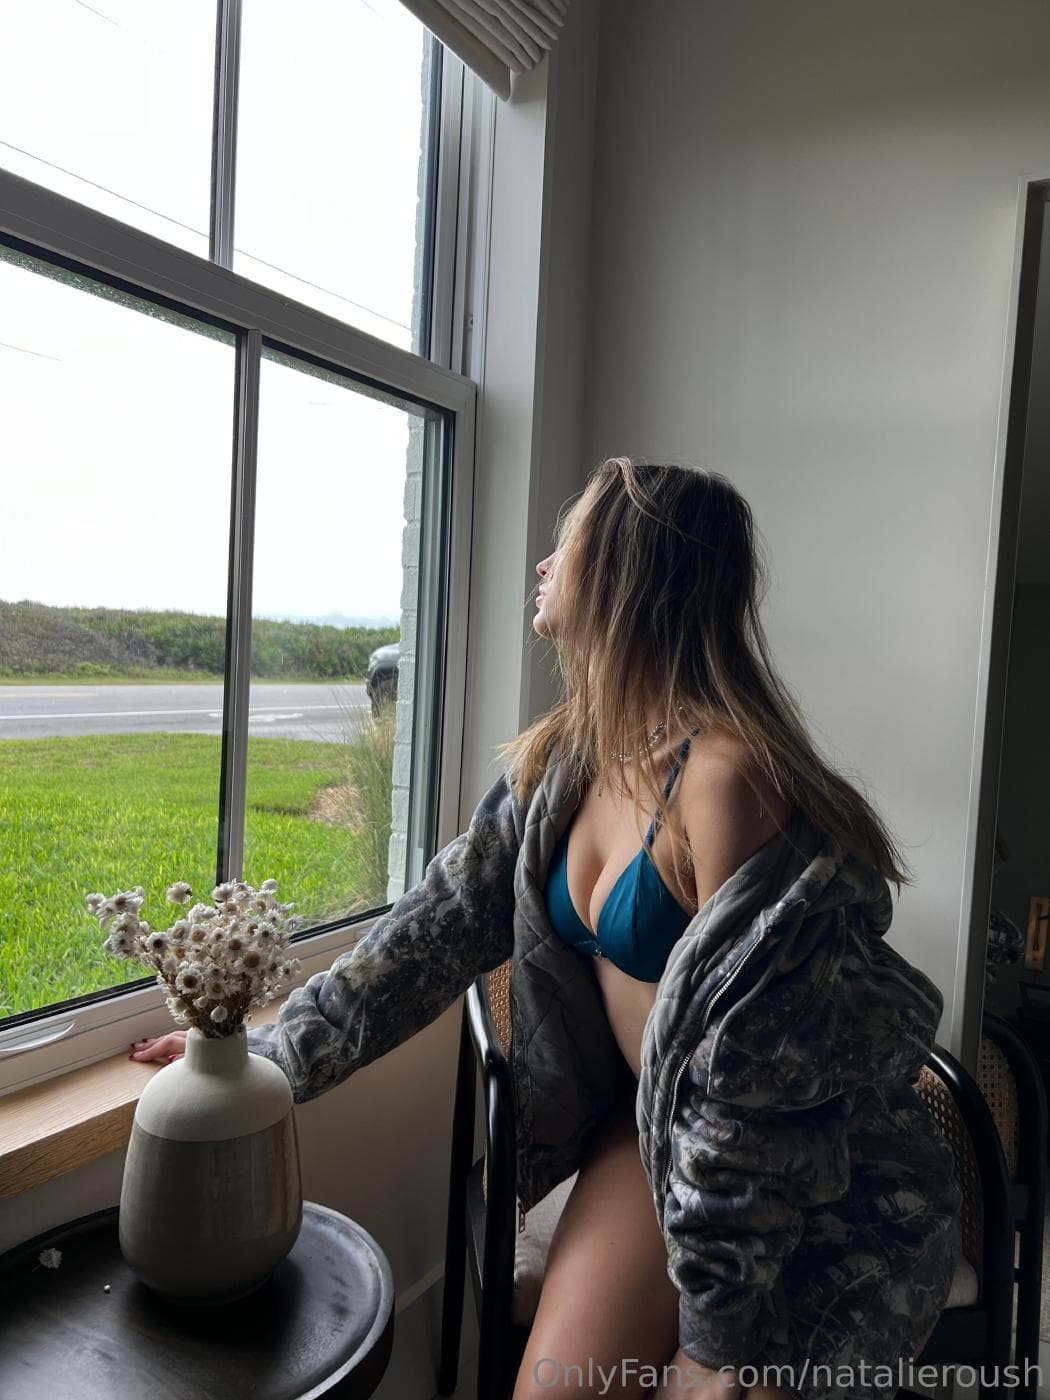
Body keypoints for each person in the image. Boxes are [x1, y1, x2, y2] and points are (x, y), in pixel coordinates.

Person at [130, 457, 963, 1400]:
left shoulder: (729, 778)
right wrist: (267, 1055)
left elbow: (751, 1084)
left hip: (821, 1168)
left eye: (566, 543)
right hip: (657, 1139)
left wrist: (714, 1344)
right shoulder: (564, 761)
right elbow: (432, 931)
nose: (543, 563)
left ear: (624, 571)